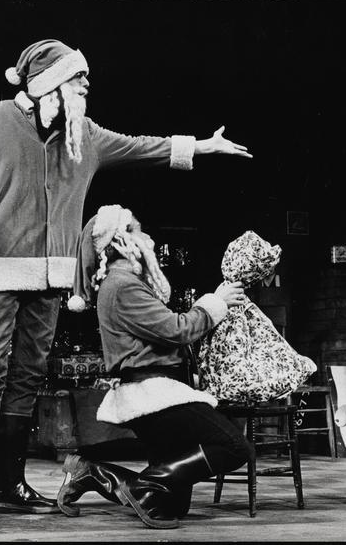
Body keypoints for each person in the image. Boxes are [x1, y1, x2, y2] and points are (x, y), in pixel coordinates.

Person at [0, 38, 251, 522]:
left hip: (52, 275)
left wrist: (201, 145)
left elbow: (141, 146)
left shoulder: (84, 134)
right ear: (48, 83)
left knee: (28, 375)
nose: (86, 84)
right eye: (77, 77)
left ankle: (8, 484)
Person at [56, 204, 254, 529]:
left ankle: (92, 472)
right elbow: (177, 329)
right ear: (121, 242)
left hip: (154, 391)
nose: (146, 237)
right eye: (136, 229)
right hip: (154, 393)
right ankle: (142, 486)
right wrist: (215, 302)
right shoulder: (123, 285)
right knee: (234, 447)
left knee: (171, 505)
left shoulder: (123, 284)